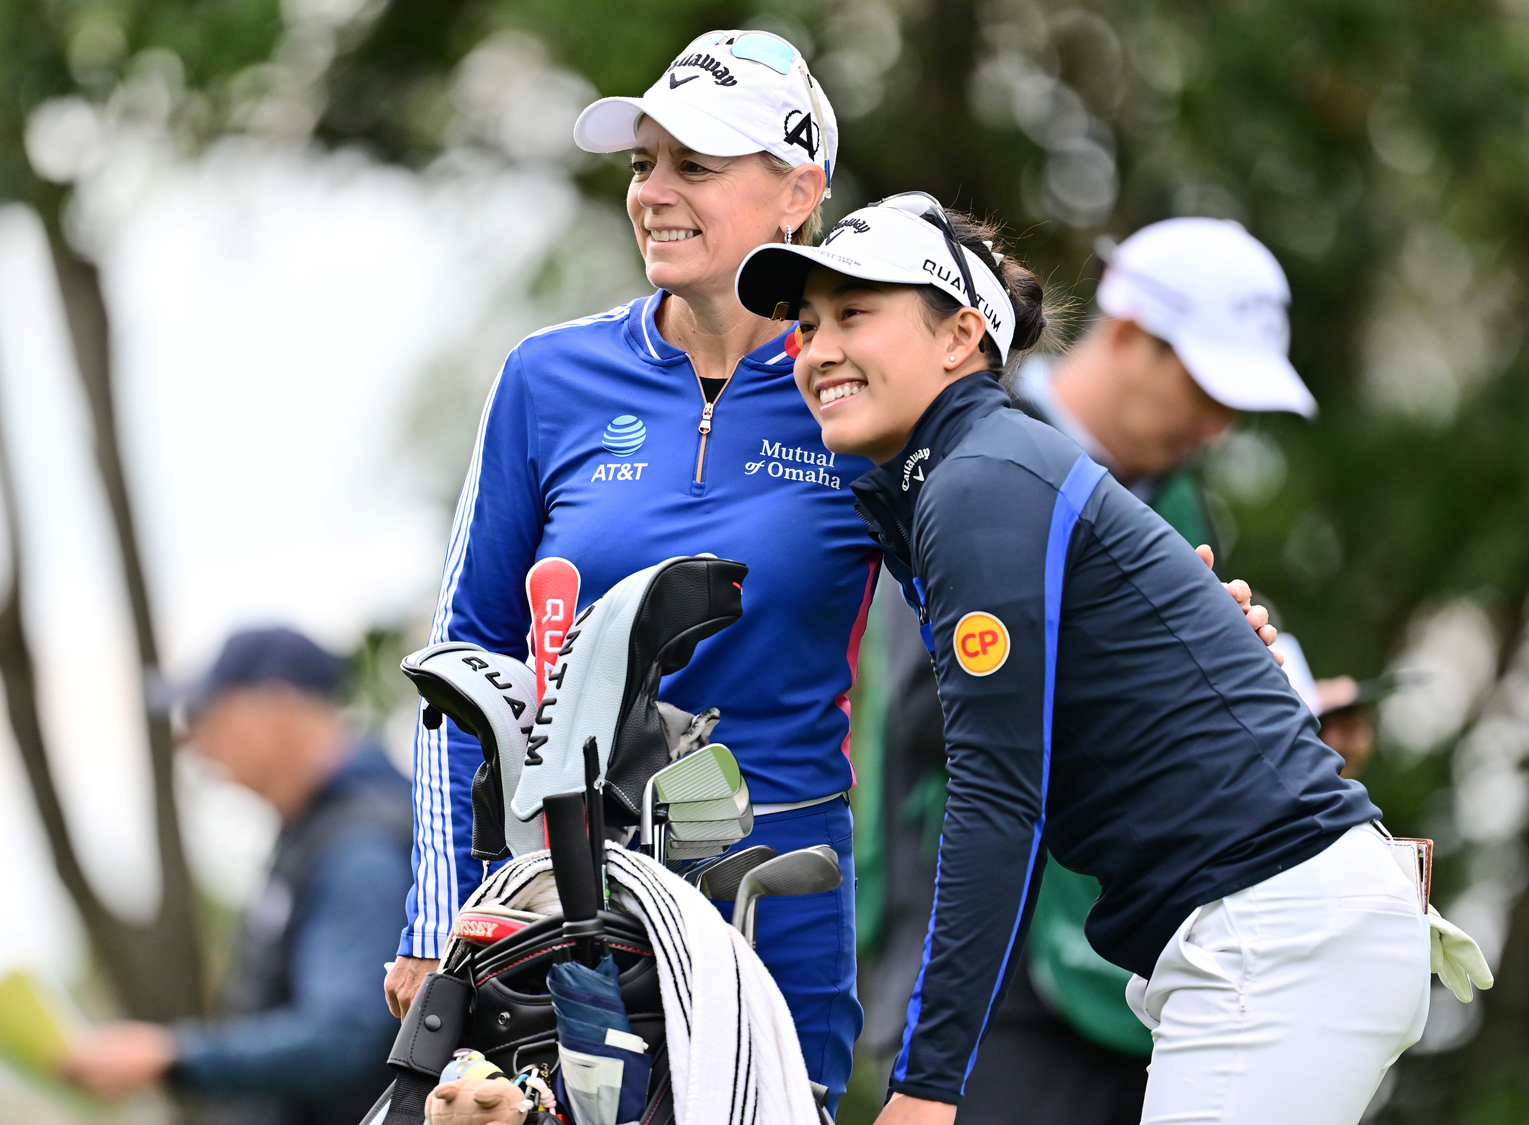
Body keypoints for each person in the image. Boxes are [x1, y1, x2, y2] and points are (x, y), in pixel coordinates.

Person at [387, 30, 1278, 1109]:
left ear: (796, 191)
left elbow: (1006, 585)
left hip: (774, 902)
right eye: (641, 163)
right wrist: (439, 916)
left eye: (695, 166)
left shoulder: (856, 396)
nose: (653, 194)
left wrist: (1181, 629)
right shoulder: (548, 377)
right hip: (562, 897)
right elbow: (463, 661)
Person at [735, 196, 1433, 1125]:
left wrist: (928, 1086)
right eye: (811, 322)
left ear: (960, 338)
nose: (818, 348)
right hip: (1249, 935)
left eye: (856, 314)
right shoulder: (974, 469)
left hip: (1271, 935)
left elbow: (996, 794)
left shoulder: (978, 479)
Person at [864, 218, 1346, 1124]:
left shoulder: (1170, 485)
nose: (1219, 424)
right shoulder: (975, 453)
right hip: (993, 976)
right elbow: (937, 715)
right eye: (1206, 388)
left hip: (1143, 967)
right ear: (1128, 334)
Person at [61, 627, 412, 1124]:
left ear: (275, 708)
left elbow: (346, 1036)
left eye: (208, 715)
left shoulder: (360, 848)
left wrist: (172, 1056)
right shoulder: (316, 834)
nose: (192, 742)